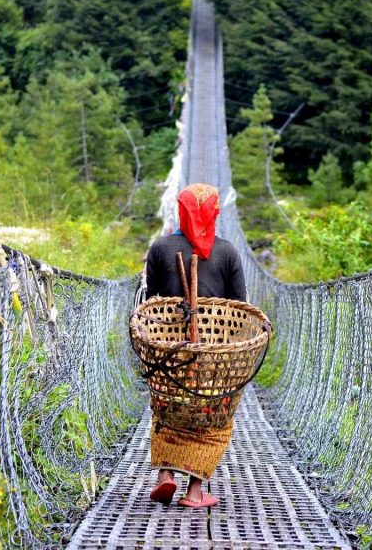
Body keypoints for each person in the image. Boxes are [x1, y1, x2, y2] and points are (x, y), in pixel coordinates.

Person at [143, 183, 247, 508]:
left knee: (167, 408)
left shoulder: (160, 248)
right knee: (210, 417)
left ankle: (165, 477)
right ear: (214, 212)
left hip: (169, 354)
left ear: (180, 210)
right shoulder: (227, 252)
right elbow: (240, 306)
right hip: (212, 357)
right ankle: (194, 492)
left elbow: (151, 302)